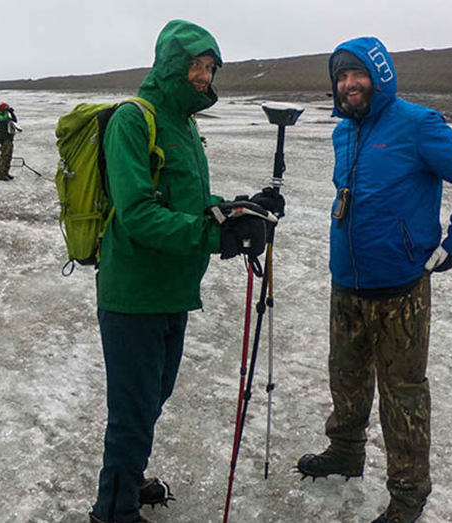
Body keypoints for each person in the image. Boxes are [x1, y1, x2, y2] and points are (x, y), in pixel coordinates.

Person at [88, 20, 276, 523]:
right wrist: (215, 237)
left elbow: (191, 204)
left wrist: (239, 210)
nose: (203, 75)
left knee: (153, 397)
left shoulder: (186, 125)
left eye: (210, 67)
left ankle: (127, 477)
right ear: (171, 64)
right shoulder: (134, 120)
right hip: (133, 293)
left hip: (174, 290)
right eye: (195, 65)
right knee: (132, 409)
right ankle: (113, 510)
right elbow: (138, 213)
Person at [296, 37, 452, 523]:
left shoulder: (418, 124)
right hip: (347, 283)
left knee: (403, 394)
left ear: (379, 77)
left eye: (357, 75)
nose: (348, 84)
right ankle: (345, 451)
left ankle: (408, 493)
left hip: (401, 288)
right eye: (340, 77)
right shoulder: (344, 132)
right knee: (346, 376)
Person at [0, 103, 19, 181]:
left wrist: (12, 113)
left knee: (8, 156)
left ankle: (6, 172)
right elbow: (4, 120)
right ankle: (1, 174)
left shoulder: (7, 116)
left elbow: (15, 121)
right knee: (4, 156)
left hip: (9, 139)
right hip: (4, 139)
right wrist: (6, 112)